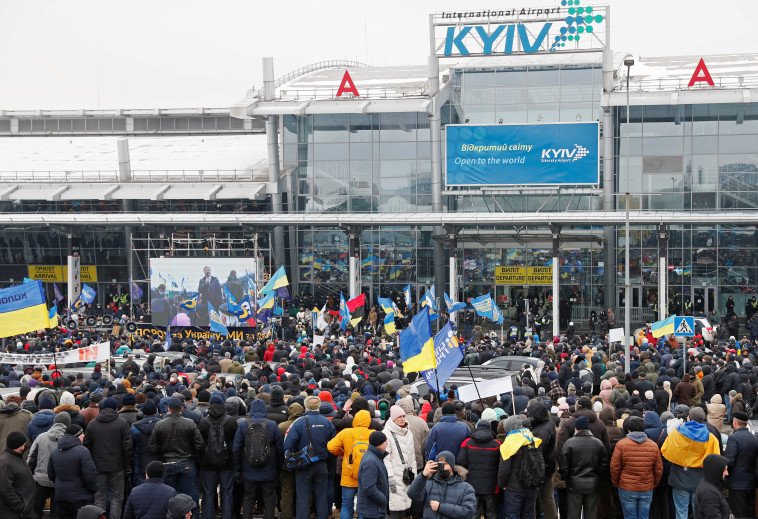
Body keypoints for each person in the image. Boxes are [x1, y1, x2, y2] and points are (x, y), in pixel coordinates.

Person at [282, 395, 336, 519]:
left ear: (305, 407)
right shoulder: (327, 422)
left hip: (304, 463)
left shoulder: (299, 422)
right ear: (318, 406)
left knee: (302, 498)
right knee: (321, 497)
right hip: (322, 464)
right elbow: (333, 447)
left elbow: (288, 445)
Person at [148, 398, 205, 511]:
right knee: (187, 497)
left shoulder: (160, 424)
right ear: (182, 409)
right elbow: (200, 444)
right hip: (186, 462)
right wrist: (191, 454)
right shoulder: (189, 423)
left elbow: (152, 446)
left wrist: (163, 454)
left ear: (168, 409)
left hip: (167, 463)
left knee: (168, 497)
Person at [233, 398, 284, 519]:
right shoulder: (271, 425)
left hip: (248, 468)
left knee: (249, 497)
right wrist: (278, 468)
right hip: (269, 469)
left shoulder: (244, 425)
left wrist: (238, 468)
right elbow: (280, 449)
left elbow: (236, 448)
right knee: (269, 498)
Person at [83, 397, 133, 519]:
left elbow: (87, 446)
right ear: (116, 408)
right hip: (117, 466)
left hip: (98, 465)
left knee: (99, 497)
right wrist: (128, 467)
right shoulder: (122, 423)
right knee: (117, 498)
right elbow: (128, 447)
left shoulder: (93, 424)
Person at [610, 416, 663, 519]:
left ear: (628, 429)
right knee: (644, 516)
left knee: (629, 516)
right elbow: (658, 469)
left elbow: (615, 467)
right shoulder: (653, 445)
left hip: (627, 487)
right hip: (646, 487)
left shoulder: (621, 444)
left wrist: (617, 483)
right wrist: (653, 484)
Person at [558, 415, 608, 519]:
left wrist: (567, 478)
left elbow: (563, 465)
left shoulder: (570, 443)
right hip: (592, 483)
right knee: (591, 513)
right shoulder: (598, 443)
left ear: (576, 428)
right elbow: (604, 464)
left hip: (574, 484)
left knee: (573, 513)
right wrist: (597, 476)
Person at [327, 409, 373, 519]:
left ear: (355, 420)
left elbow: (331, 446)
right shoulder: (373, 434)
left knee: (347, 505)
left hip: (348, 474)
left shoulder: (346, 432)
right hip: (367, 475)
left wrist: (342, 454)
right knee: (364, 506)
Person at [198, 394, 238, 519]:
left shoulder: (203, 422)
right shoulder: (231, 421)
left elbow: (199, 443)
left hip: (208, 464)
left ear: (210, 404)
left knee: (208, 493)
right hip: (227, 464)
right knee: (227, 493)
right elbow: (236, 443)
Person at [407, 450, 477, 519]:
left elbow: (469, 512)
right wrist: (423, 475)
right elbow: (412, 494)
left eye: (445, 464)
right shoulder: (429, 483)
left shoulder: (466, 488)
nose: (442, 467)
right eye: (439, 464)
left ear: (452, 466)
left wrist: (441, 507)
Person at [48, 424, 98, 519]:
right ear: (76, 435)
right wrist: (93, 490)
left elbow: (51, 474)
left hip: (61, 496)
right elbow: (90, 476)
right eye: (82, 433)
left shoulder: (55, 452)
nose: (84, 436)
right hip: (80, 498)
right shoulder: (83, 451)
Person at [27, 412, 70, 518]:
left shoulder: (41, 437)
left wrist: (30, 475)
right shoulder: (69, 439)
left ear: (54, 422)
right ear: (68, 424)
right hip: (60, 481)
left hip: (40, 480)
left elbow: (31, 458)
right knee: (56, 513)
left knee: (36, 511)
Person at [457, 418, 501, 519]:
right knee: (490, 514)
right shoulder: (497, 444)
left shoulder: (467, 443)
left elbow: (460, 462)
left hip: (472, 485)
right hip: (492, 486)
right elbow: (501, 465)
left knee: (474, 513)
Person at [381, 406, 417, 519]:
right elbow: (386, 458)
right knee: (395, 509)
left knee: (405, 508)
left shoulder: (408, 432)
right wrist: (390, 477)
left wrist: (414, 476)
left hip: (407, 476)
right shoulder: (387, 433)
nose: (402, 419)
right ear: (393, 418)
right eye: (399, 417)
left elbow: (412, 457)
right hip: (395, 476)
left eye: (403, 416)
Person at [724, 411, 758, 518]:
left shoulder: (734, 438)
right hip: (751, 483)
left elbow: (730, 460)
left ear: (735, 423)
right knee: (750, 513)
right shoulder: (754, 439)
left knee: (738, 514)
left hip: (737, 484)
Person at [0, 431, 35, 519]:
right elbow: (5, 489)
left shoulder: (16, 457)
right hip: (14, 513)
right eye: (24, 444)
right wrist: (20, 506)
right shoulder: (6, 462)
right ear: (19, 446)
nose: (26, 445)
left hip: (23, 511)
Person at [356, 431, 390, 519]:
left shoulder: (375, 457)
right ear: (378, 443)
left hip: (374, 509)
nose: (387, 443)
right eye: (384, 441)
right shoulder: (370, 461)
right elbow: (369, 487)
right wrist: (383, 499)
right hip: (372, 511)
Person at [693, 454, 730, 519]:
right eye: (724, 470)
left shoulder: (710, 485)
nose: (727, 473)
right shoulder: (709, 493)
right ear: (716, 470)